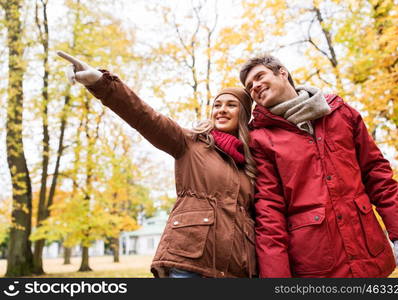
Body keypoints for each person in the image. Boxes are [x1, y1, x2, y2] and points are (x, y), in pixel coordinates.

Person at [57, 51, 257, 278]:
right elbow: (144, 116)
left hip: (236, 270)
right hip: (189, 261)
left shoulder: (250, 163)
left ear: (244, 114)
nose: (221, 110)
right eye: (217, 104)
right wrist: (100, 82)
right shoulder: (190, 142)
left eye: (231, 105)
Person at [239, 54, 398, 278]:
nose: (254, 86)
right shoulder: (260, 139)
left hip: (369, 255)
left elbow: (377, 174)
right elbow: (269, 212)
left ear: (282, 73)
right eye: (249, 86)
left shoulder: (340, 112)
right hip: (316, 266)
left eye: (259, 76)